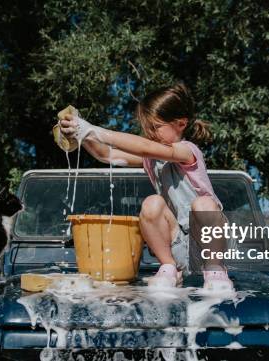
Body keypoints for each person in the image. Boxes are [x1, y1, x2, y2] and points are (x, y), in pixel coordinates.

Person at [59, 83, 233, 290]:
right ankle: (169, 267)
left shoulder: (188, 151)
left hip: (211, 244)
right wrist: (83, 135)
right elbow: (106, 155)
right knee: (152, 202)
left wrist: (95, 130)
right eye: (147, 128)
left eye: (156, 127)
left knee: (204, 204)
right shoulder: (150, 160)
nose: (150, 133)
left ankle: (216, 271)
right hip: (177, 245)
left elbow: (146, 147)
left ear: (181, 124)